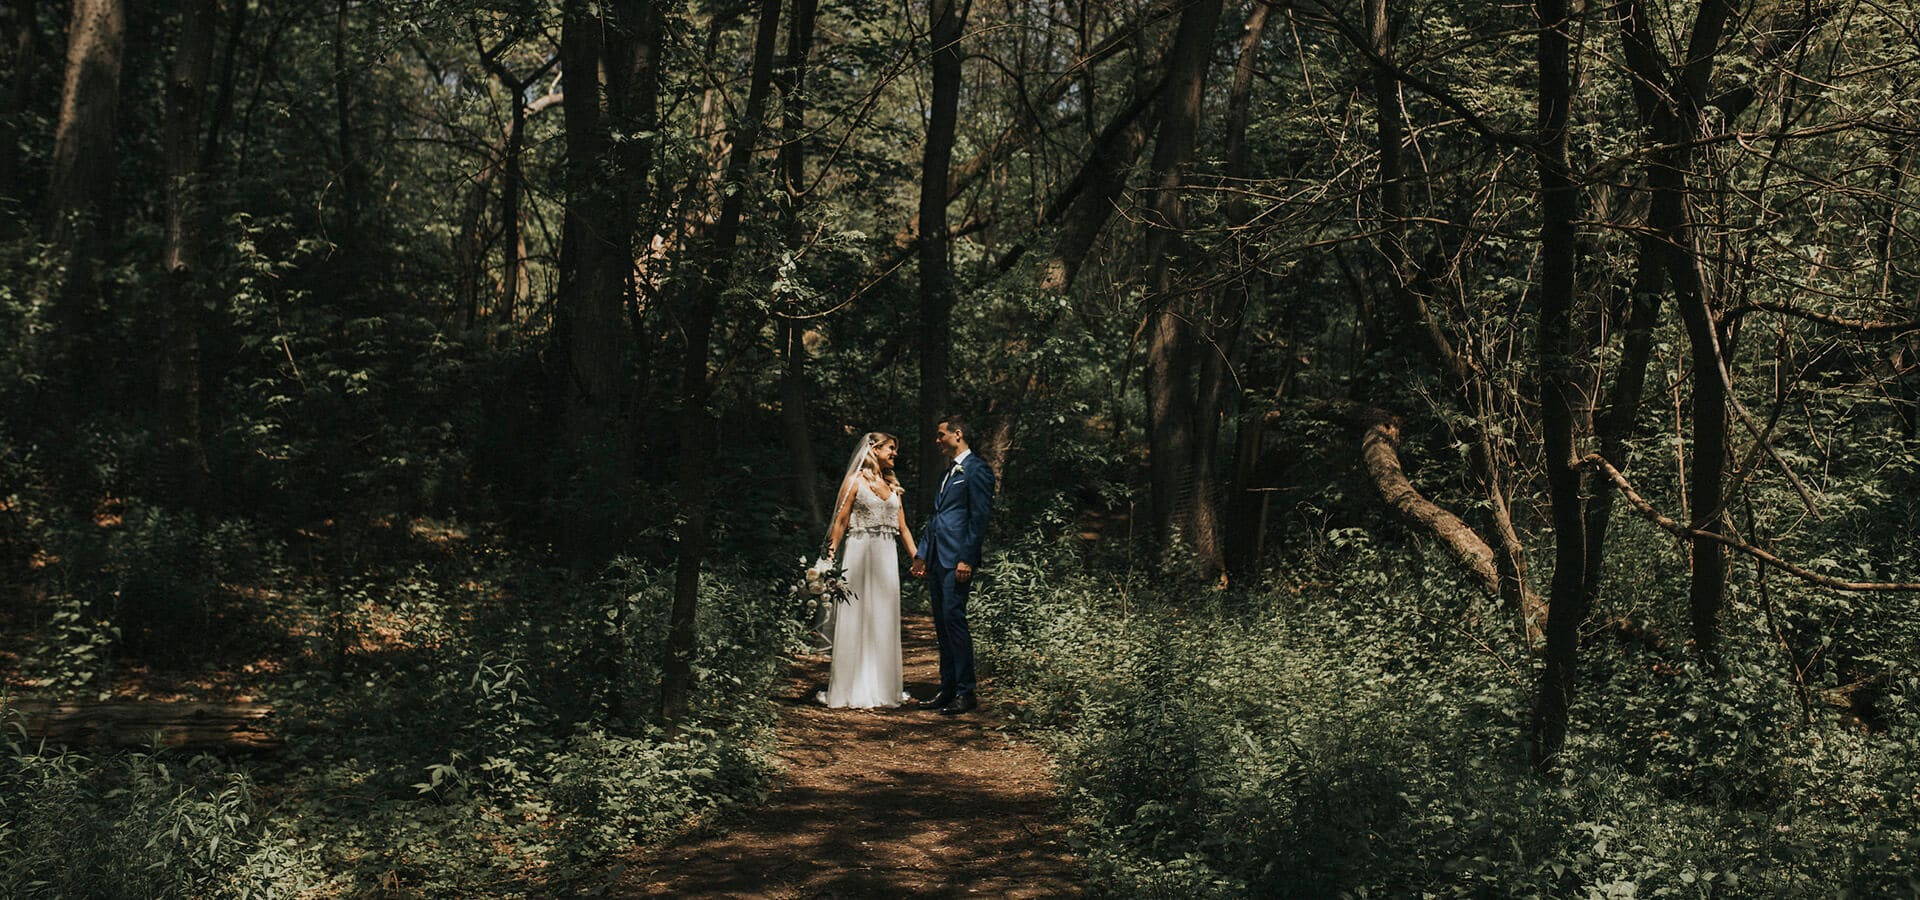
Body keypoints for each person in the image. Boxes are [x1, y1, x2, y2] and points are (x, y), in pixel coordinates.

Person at [817, 432, 916, 708]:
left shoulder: (893, 486)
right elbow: (840, 522)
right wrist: (829, 560)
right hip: (859, 552)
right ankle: (851, 687)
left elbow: (904, 528)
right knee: (855, 615)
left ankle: (883, 688)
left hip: (886, 557)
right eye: (891, 448)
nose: (895, 453)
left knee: (883, 616)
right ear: (874, 449)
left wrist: (917, 558)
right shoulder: (854, 481)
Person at [910, 414, 996, 716]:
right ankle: (946, 689)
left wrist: (967, 558)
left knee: (954, 621)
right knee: (942, 625)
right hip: (937, 559)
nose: (937, 440)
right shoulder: (947, 473)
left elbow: (979, 518)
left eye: (940, 434)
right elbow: (937, 518)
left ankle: (965, 692)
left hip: (957, 559)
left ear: (957, 434)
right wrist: (922, 553)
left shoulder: (977, 470)